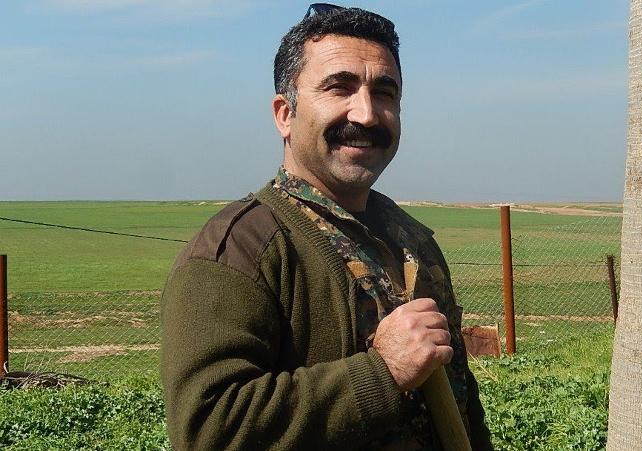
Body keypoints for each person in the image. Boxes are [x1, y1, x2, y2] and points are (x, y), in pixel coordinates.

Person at [160, 4, 493, 450]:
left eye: (384, 93)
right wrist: (383, 372)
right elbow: (207, 431)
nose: (367, 114)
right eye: (339, 88)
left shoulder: (413, 241)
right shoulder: (239, 251)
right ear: (285, 114)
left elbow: (462, 400)